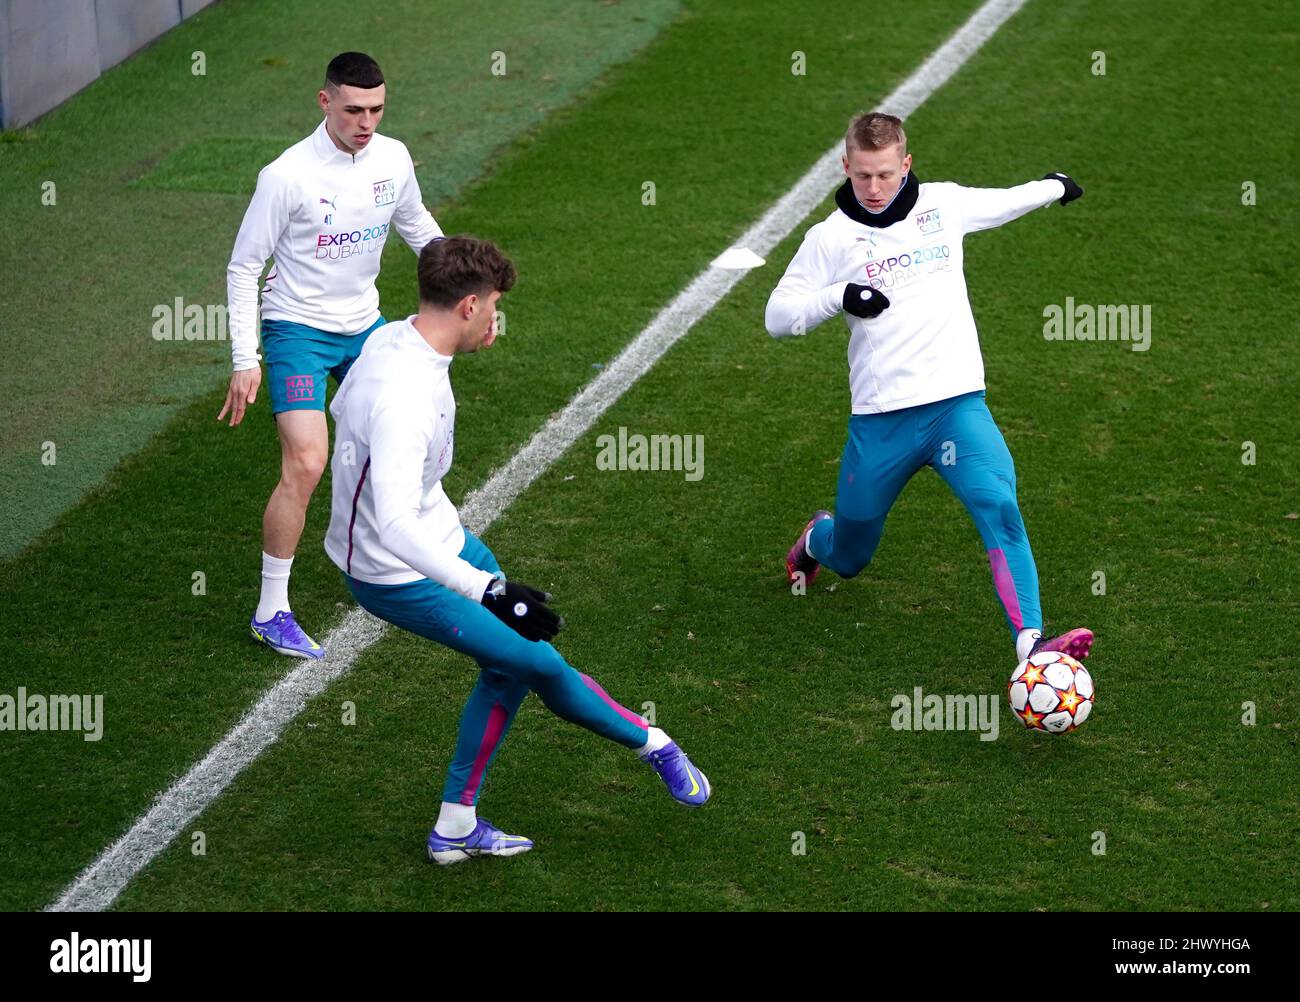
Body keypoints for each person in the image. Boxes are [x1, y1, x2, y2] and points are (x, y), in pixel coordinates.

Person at [325, 236, 711, 865]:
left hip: (442, 538)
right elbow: (393, 526)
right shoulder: (405, 397)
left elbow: (345, 410)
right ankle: (656, 744)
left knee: (509, 666)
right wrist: (489, 591)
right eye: (496, 306)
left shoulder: (396, 338)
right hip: (396, 572)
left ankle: (454, 825)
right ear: (470, 306)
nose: (498, 319)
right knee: (539, 663)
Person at [766, 111, 1093, 665]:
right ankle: (817, 538)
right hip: (882, 421)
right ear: (845, 166)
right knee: (850, 555)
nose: (873, 188)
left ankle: (1032, 645)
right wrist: (840, 296)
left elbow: (1003, 202)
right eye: (863, 175)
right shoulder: (830, 238)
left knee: (999, 505)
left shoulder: (943, 204)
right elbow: (777, 317)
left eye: (886, 175)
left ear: (906, 164)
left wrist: (1053, 187)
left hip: (957, 408)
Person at [221, 51, 443, 659]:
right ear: (325, 103)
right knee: (309, 461)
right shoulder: (286, 176)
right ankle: (271, 611)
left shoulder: (393, 158)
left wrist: (465, 286)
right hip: (297, 331)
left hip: (365, 327)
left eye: (376, 109)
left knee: (406, 436)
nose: (365, 122)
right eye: (353, 109)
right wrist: (247, 358)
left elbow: (416, 224)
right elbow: (245, 266)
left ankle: (404, 552)